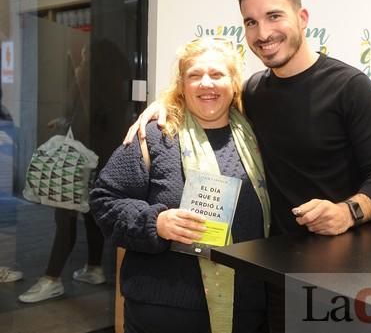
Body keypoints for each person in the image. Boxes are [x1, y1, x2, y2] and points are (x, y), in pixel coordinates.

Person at [126, 0, 371, 331]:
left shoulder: (351, 89)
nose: (263, 33)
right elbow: (207, 99)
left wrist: (347, 212)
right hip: (272, 274)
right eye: (251, 22)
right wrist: (161, 108)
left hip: (342, 280)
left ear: (302, 18)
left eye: (274, 16)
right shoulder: (253, 91)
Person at [91, 37, 270, 333]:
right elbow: (104, 200)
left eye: (216, 74)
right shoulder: (156, 135)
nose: (206, 83)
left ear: (234, 82)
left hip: (245, 309)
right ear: (182, 84)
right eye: (195, 75)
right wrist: (155, 222)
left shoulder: (256, 136)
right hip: (163, 311)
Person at [19, 43, 106, 303]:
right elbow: (87, 118)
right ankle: (94, 268)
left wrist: (77, 79)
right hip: (97, 157)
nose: (81, 60)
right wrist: (63, 122)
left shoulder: (88, 81)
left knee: (64, 216)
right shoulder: (107, 86)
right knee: (88, 213)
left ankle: (52, 279)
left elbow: (84, 117)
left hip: (76, 161)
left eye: (85, 56)